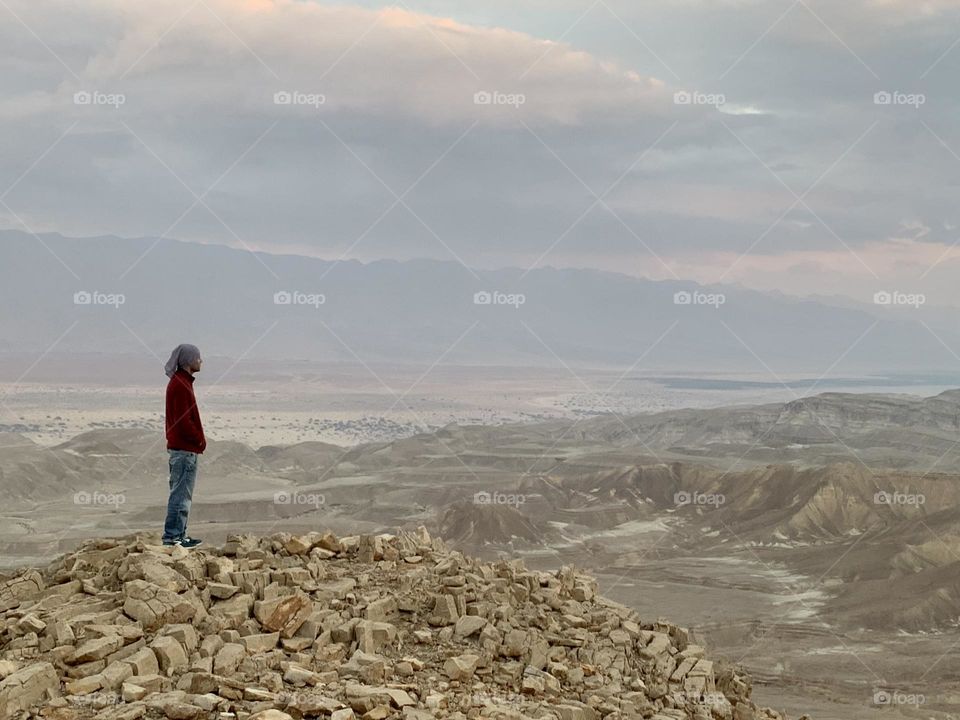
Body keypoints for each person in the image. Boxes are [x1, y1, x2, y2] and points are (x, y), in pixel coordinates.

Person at [162, 344, 206, 548]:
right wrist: (198, 439)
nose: (201, 361)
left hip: (183, 449)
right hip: (184, 449)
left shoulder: (181, 382)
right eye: (198, 357)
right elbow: (183, 421)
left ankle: (179, 534)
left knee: (181, 494)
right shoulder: (180, 384)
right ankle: (173, 537)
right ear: (189, 360)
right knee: (181, 495)